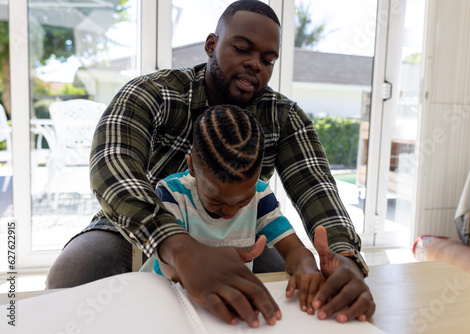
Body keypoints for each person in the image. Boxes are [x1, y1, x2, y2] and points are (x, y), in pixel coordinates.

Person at [46, 0, 375, 327]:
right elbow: (112, 166)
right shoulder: (153, 93)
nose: (254, 64)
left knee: (279, 293)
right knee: (75, 272)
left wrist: (343, 257)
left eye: (267, 59)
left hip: (237, 235)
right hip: (139, 228)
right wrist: (178, 246)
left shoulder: (284, 118)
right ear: (211, 45)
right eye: (242, 49)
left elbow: (316, 187)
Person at [142, 104, 324, 315]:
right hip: (167, 297)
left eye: (243, 199)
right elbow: (169, 268)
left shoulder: (261, 196)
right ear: (191, 167)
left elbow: (293, 250)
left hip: (226, 299)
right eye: (216, 200)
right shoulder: (172, 194)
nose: (230, 210)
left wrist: (307, 267)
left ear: (258, 174)